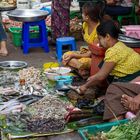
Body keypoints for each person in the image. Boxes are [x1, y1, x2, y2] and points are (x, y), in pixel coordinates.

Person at [79, 20, 140, 93]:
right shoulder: (121, 44)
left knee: (110, 90)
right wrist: (94, 77)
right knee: (104, 65)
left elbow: (101, 76)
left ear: (107, 37)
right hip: (137, 77)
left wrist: (85, 86)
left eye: (100, 38)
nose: (99, 43)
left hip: (131, 81)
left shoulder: (112, 51)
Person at [62, 2, 105, 79]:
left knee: (80, 62)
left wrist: (73, 55)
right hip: (86, 52)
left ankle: (80, 70)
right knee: (66, 55)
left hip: (96, 57)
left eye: (82, 13)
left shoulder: (99, 30)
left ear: (87, 17)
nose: (81, 15)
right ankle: (82, 71)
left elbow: (90, 54)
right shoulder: (85, 25)